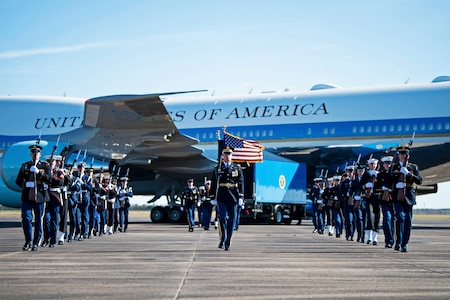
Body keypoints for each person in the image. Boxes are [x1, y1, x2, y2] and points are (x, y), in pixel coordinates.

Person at [15, 144, 52, 251]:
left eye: (37, 153)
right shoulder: (25, 166)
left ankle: (36, 242)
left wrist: (39, 173)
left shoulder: (45, 166)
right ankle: (28, 241)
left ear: (40, 154)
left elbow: (49, 179)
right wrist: (25, 184)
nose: (35, 154)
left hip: (40, 196)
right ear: (31, 154)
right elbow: (18, 180)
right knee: (26, 218)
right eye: (33, 152)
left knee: (38, 220)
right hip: (27, 195)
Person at [210, 146, 244, 251]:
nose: (228, 156)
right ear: (222, 156)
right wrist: (212, 197)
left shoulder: (237, 168)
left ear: (232, 155)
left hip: (233, 196)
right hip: (222, 196)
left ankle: (228, 241)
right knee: (222, 218)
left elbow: (241, 182)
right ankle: (222, 238)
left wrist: (241, 197)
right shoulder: (218, 168)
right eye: (226, 154)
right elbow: (214, 183)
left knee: (232, 220)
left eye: (229, 154)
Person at [390, 145, 422, 252]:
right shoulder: (394, 168)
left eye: (405, 154)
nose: (403, 156)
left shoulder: (413, 167)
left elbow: (419, 181)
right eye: (401, 154)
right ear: (398, 155)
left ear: (408, 156)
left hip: (408, 197)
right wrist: (395, 184)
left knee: (408, 220)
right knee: (400, 218)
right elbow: (388, 181)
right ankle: (398, 241)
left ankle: (404, 244)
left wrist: (408, 174)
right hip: (397, 196)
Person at [42, 155, 64, 248]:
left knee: (54, 220)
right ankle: (46, 238)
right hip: (45, 197)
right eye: (49, 162)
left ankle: (53, 240)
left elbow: (61, 182)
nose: (51, 164)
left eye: (52, 162)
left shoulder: (58, 172)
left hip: (55, 197)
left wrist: (52, 178)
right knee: (46, 219)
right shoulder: (44, 172)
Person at [376, 155, 395, 248]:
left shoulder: (396, 174)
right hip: (384, 200)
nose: (388, 165)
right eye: (386, 164)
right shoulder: (380, 175)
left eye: (390, 163)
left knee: (395, 221)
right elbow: (376, 188)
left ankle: (394, 239)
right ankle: (388, 240)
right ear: (383, 165)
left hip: (394, 199)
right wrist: (382, 189)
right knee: (387, 219)